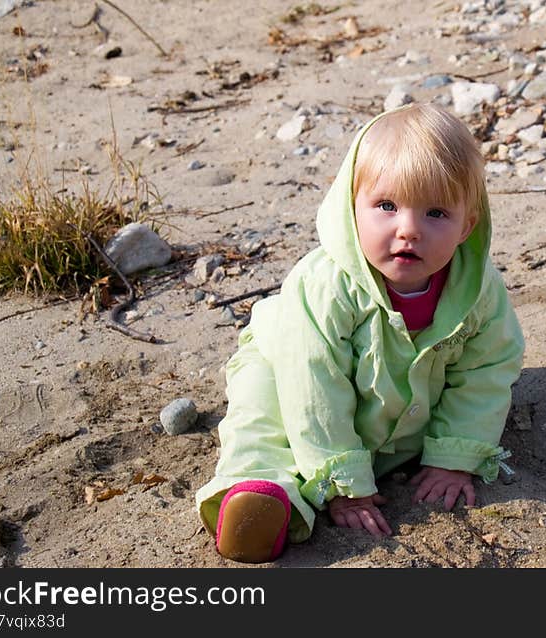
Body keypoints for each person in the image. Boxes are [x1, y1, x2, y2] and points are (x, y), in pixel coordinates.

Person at [195, 103, 525, 563]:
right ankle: (260, 494)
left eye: (435, 213)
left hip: (394, 399)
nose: (408, 230)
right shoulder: (325, 287)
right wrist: (344, 482)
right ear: (352, 208)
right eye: (386, 206)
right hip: (287, 364)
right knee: (264, 416)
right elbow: (313, 388)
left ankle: (370, 452)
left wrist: (453, 456)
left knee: (420, 421)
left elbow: (487, 368)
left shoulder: (478, 290)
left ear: (466, 224)